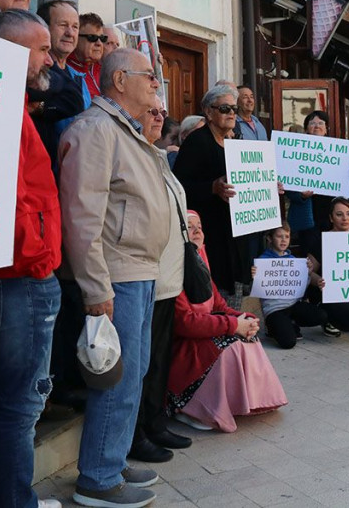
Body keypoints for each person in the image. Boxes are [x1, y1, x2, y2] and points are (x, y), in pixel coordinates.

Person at [59, 48, 169, 507]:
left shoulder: (126, 129)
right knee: (115, 379)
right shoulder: (96, 130)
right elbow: (82, 217)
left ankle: (114, 458)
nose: (157, 86)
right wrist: (96, 288)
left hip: (139, 272)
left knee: (133, 374)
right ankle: (99, 479)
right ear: (120, 79)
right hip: (117, 275)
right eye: (149, 77)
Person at [0, 10, 63, 508]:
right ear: (12, 52)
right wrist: (38, 252)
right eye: (42, 49)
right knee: (21, 403)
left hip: (18, 274)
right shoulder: (1, 112)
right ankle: (13, 501)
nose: (51, 59)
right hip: (22, 277)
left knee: (7, 402)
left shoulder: (18, 108)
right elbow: (8, 198)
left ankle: (4, 496)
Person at [167, 213, 287, 433]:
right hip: (182, 346)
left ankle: (242, 403)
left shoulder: (199, 263)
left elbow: (219, 306)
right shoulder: (174, 272)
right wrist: (232, 325)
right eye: (190, 227)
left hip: (202, 333)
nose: (196, 231)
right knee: (229, 346)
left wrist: (245, 319)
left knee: (248, 339)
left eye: (200, 226)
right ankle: (190, 408)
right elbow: (185, 323)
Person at [130, 96, 193, 464]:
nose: (159, 118)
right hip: (145, 275)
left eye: (162, 113)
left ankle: (154, 422)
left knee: (158, 359)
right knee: (142, 361)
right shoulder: (137, 156)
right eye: (152, 112)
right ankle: (136, 431)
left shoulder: (160, 158)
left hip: (169, 277)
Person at [173, 85, 248, 300]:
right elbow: (179, 186)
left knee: (236, 293)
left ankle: (235, 330)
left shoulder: (236, 143)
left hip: (236, 232)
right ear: (209, 112)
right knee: (216, 292)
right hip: (210, 233)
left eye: (234, 108)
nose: (232, 113)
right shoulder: (197, 142)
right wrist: (211, 188)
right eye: (225, 108)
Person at [300, 198, 349, 336]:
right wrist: (319, 280)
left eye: (348, 213)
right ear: (331, 218)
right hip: (331, 294)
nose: (345, 218)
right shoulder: (323, 239)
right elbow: (308, 272)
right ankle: (330, 318)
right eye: (339, 214)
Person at [33, 0, 90, 173]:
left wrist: (41, 108)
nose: (70, 33)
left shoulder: (79, 78)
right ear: (45, 28)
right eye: (63, 25)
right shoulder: (34, 73)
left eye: (75, 27)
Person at [254, 224, 331, 348]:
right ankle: (273, 327)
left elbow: (299, 287)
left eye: (287, 236)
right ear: (269, 238)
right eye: (279, 236)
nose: (284, 240)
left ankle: (290, 323)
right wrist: (255, 276)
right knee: (288, 342)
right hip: (274, 310)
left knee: (321, 316)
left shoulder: (293, 260)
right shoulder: (262, 261)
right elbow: (257, 288)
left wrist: (307, 273)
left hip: (293, 305)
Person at [284, 110, 335, 257]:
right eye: (312, 123)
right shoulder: (297, 152)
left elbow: (345, 187)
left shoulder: (336, 152)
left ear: (326, 129)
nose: (316, 126)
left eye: (320, 123)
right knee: (309, 256)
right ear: (306, 129)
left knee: (330, 255)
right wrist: (301, 195)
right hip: (308, 217)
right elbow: (288, 186)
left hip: (329, 214)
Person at [67, 12, 106, 98]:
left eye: (102, 38)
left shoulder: (104, 71)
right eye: (92, 37)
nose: (99, 43)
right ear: (76, 38)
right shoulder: (65, 70)